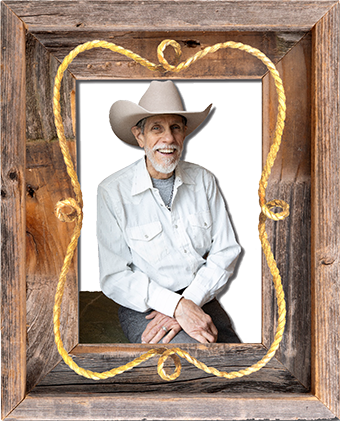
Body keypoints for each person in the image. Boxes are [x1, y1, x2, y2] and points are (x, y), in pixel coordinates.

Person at [97, 80, 241, 345]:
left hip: (201, 295)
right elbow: (114, 276)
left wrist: (188, 303)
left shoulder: (204, 181)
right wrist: (176, 306)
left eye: (175, 127)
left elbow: (226, 250)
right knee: (185, 360)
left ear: (184, 133)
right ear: (139, 137)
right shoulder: (112, 192)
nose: (168, 139)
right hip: (144, 305)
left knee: (237, 358)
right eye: (156, 128)